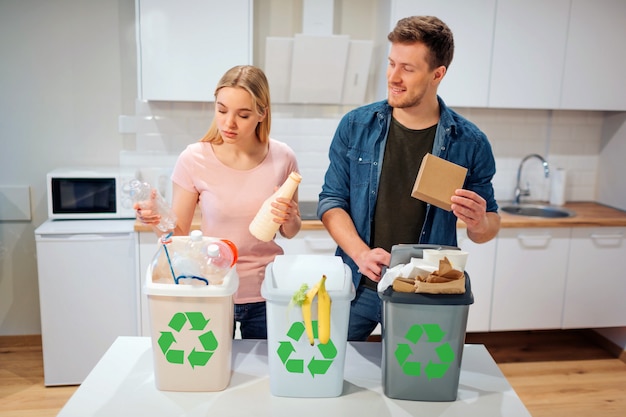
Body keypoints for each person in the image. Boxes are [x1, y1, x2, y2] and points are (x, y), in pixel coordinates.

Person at [317, 16, 501, 341]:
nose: (393, 77)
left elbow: (488, 226)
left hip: (425, 289)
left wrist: (477, 222)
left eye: (408, 68)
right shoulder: (355, 126)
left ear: (437, 74)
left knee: (416, 383)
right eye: (391, 64)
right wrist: (360, 254)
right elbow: (331, 201)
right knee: (332, 371)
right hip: (358, 283)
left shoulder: (470, 143)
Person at [136, 65, 301, 339]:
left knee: (262, 376)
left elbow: (289, 232)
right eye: (222, 110)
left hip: (265, 291)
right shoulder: (193, 159)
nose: (228, 123)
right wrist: (157, 219)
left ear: (262, 113)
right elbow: (178, 235)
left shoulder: (284, 157)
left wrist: (291, 218)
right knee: (213, 373)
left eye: (243, 114)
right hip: (211, 287)